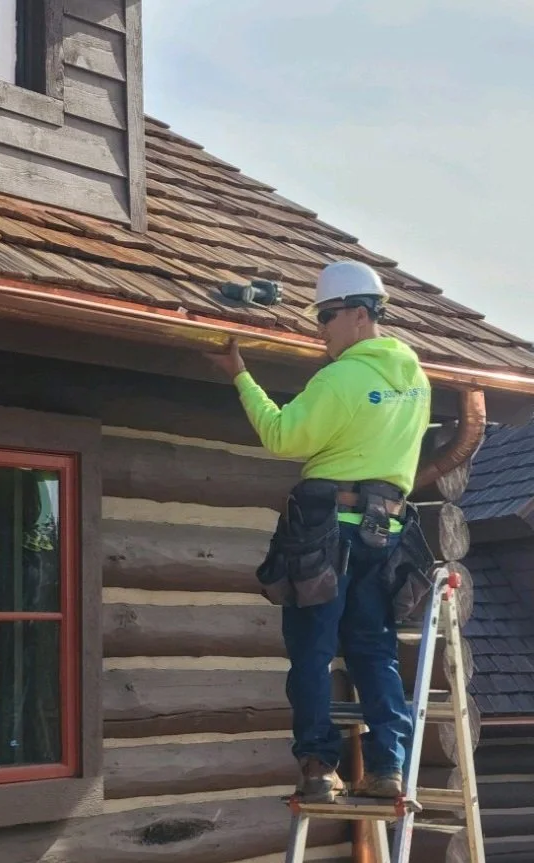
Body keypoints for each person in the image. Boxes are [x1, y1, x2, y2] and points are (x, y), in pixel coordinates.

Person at [207, 260, 431, 802]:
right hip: (385, 534)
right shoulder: (416, 379)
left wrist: (240, 374)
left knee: (311, 650)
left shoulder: (342, 377)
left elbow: (283, 437)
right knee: (373, 652)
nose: (320, 329)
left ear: (360, 315)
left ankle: (317, 768)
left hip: (326, 539)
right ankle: (387, 770)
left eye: (327, 316)